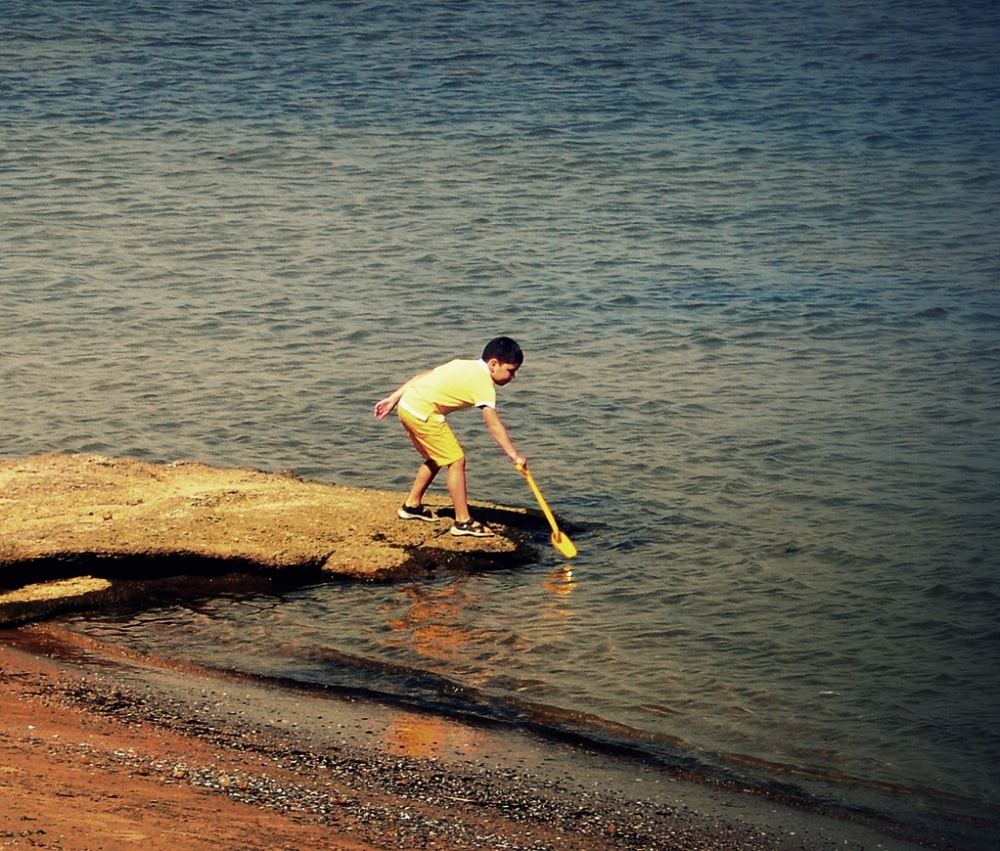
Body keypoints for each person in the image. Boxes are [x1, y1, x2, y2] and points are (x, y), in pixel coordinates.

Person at [373, 336, 527, 537]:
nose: (512, 377)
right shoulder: (483, 382)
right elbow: (493, 423)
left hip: (408, 406)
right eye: (510, 371)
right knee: (456, 459)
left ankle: (411, 506)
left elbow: (425, 375)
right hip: (423, 412)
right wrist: (514, 455)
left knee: (437, 456)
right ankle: (462, 521)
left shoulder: (463, 364)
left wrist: (395, 398)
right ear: (493, 364)